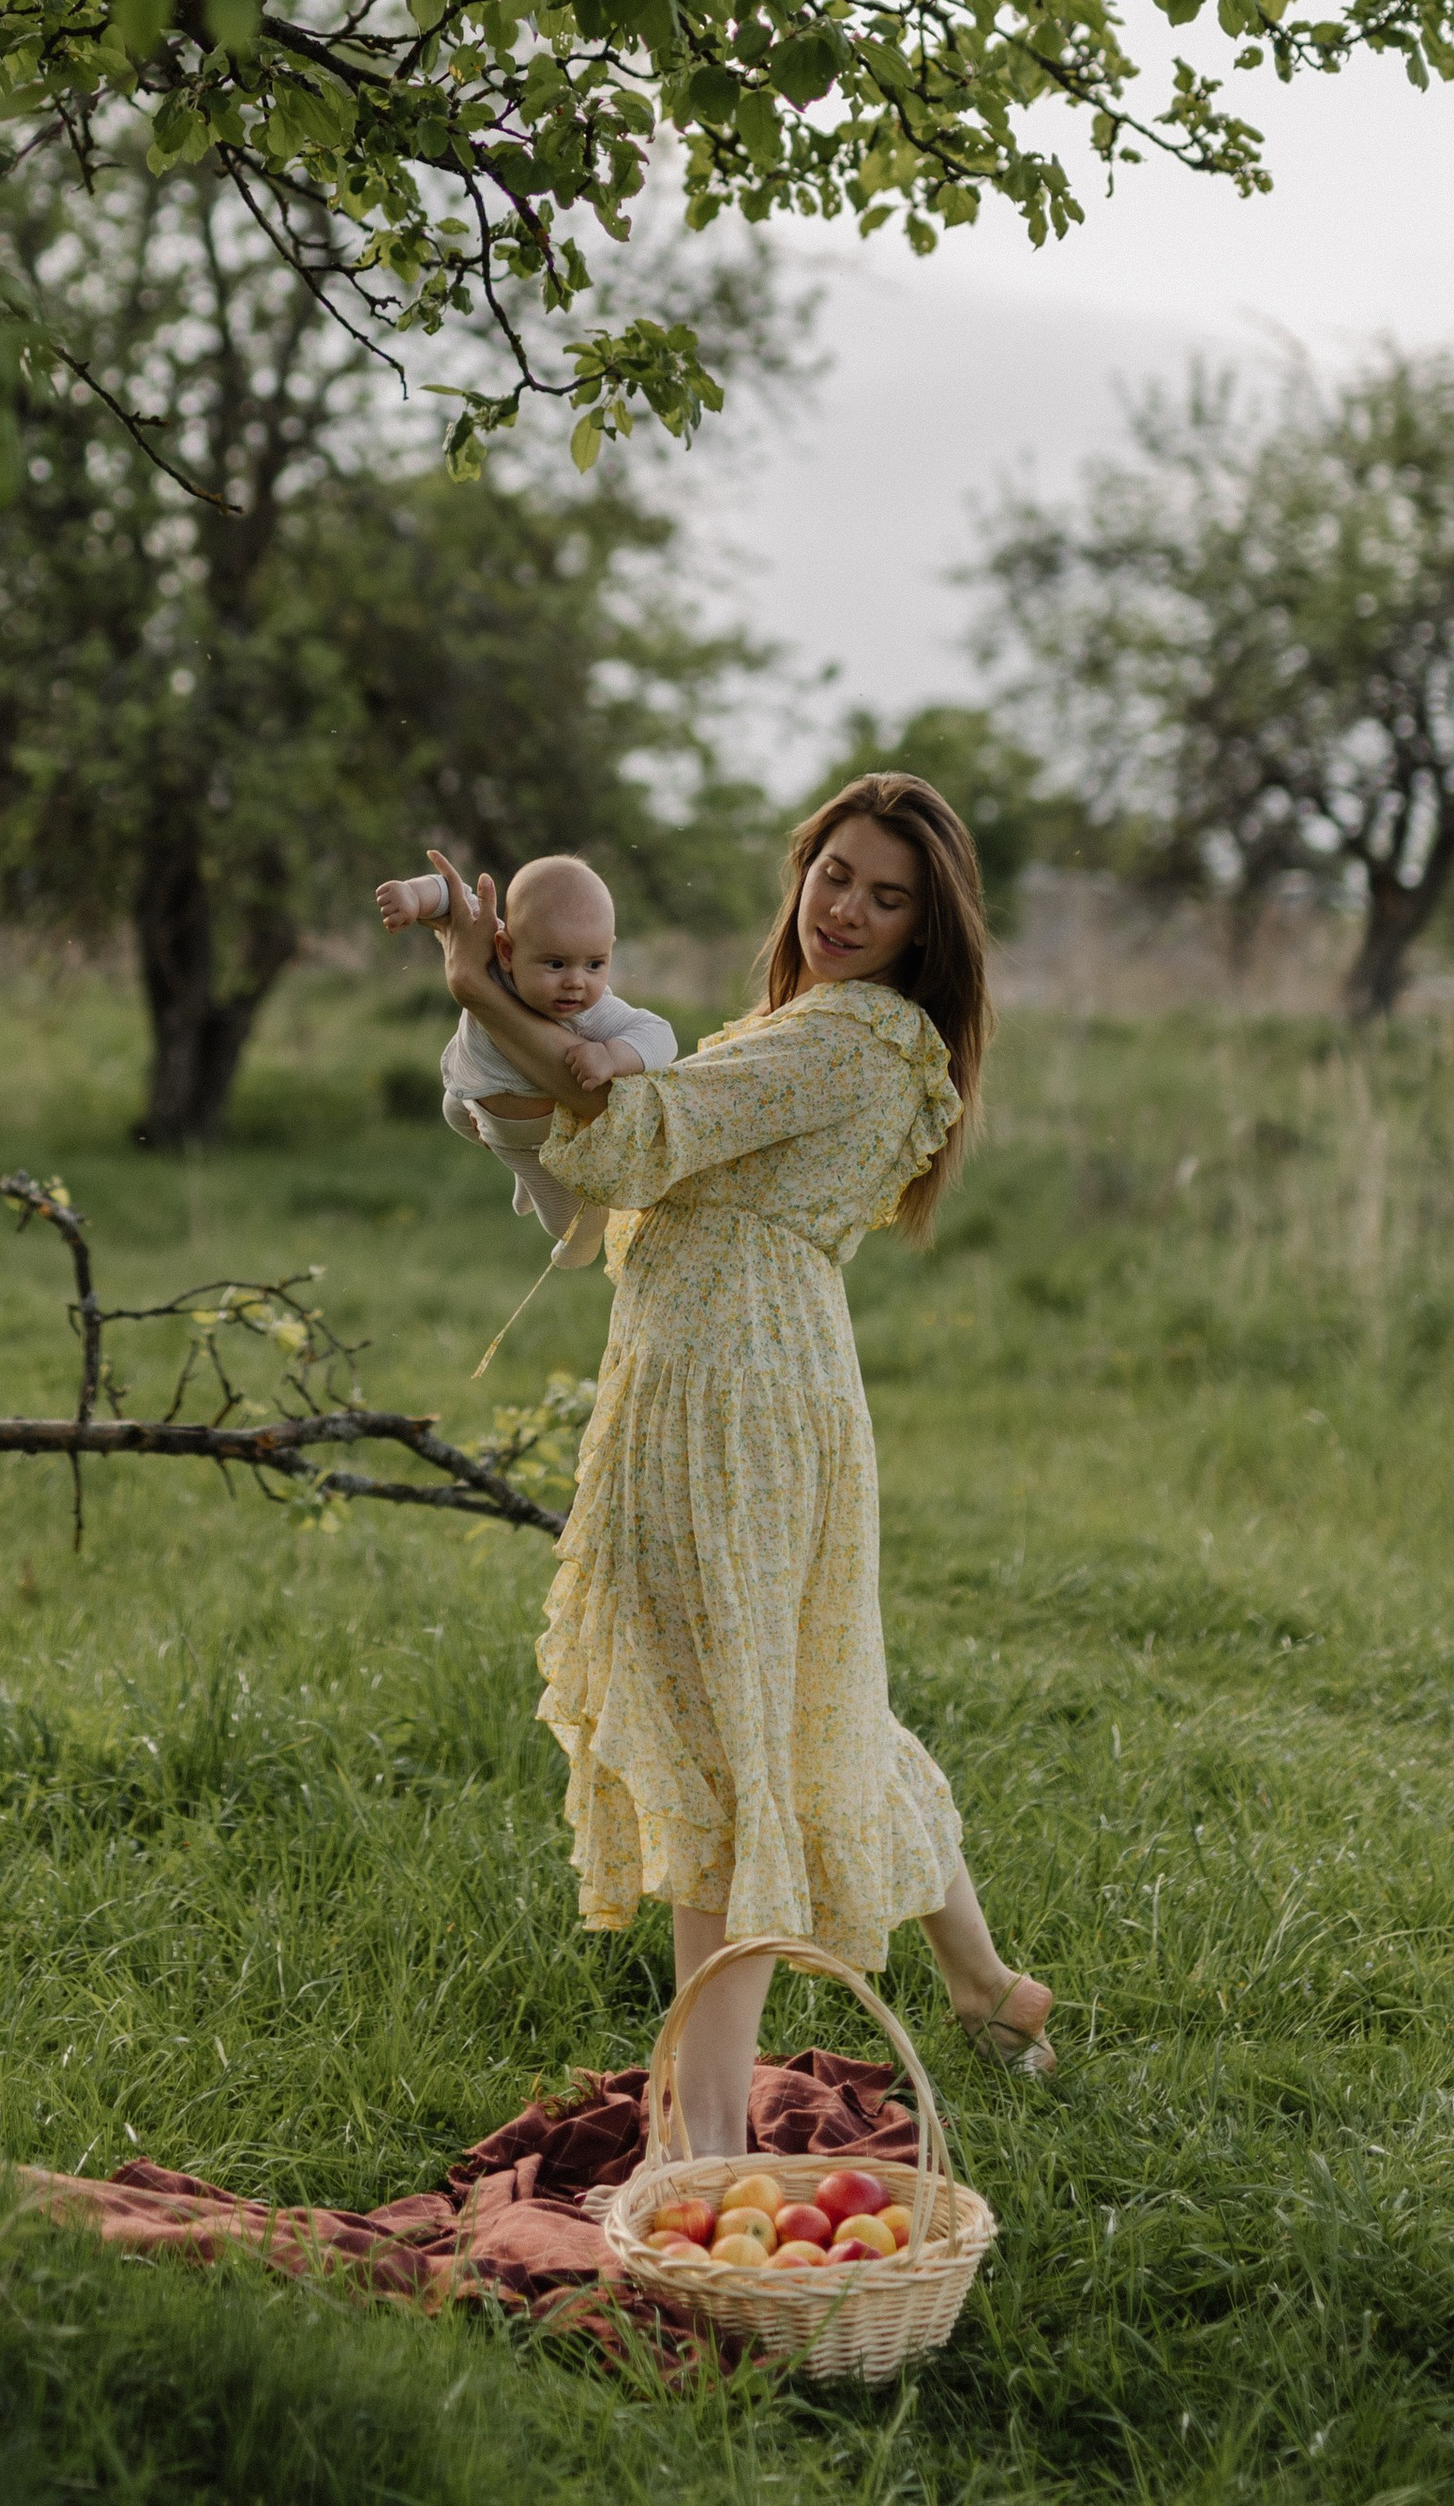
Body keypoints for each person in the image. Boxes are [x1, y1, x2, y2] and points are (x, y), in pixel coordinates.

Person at [423, 775, 1056, 2159]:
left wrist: (485, 991)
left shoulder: (858, 1042)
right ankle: (990, 1990)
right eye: (837, 873)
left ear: (924, 927)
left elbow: (642, 1144)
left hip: (741, 1403)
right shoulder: (795, 1027)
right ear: (805, 867)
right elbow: (622, 1157)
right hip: (715, 1378)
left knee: (734, 1736)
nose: (848, 909)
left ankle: (704, 2133)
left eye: (887, 897)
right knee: (800, 1690)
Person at [376, 853, 676, 1252]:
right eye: (555, 964)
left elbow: (661, 1036)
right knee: (452, 1112)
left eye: (594, 964)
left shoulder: (597, 1014)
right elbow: (452, 896)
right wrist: (413, 897)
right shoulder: (489, 949)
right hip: (470, 1094)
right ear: (506, 950)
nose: (575, 982)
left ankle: (578, 1236)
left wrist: (611, 1055)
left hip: (534, 1138)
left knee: (565, 1224)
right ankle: (519, 1172)